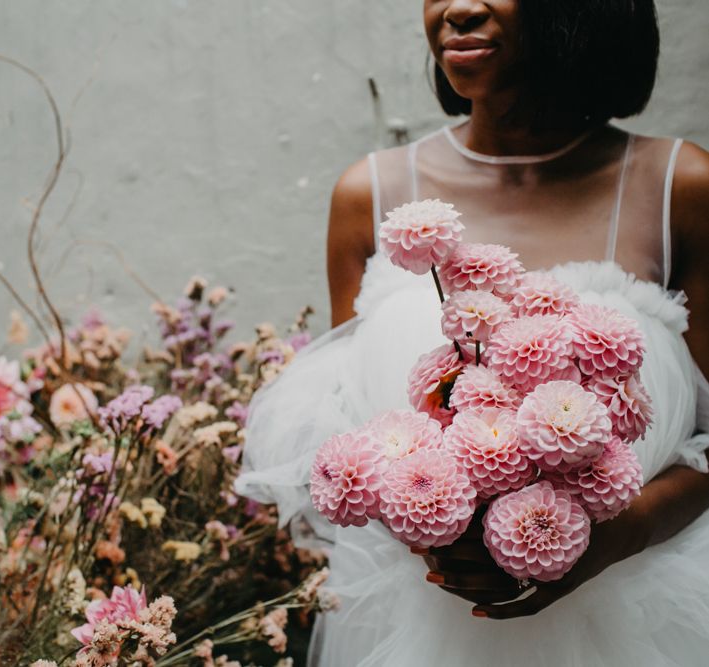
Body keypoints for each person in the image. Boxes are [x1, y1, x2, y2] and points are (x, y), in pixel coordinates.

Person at [236, 1, 709, 664]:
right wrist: (427, 522)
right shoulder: (367, 194)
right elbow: (353, 429)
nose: (455, 8)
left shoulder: (679, 187)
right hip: (419, 629)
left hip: (638, 616)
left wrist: (612, 534)